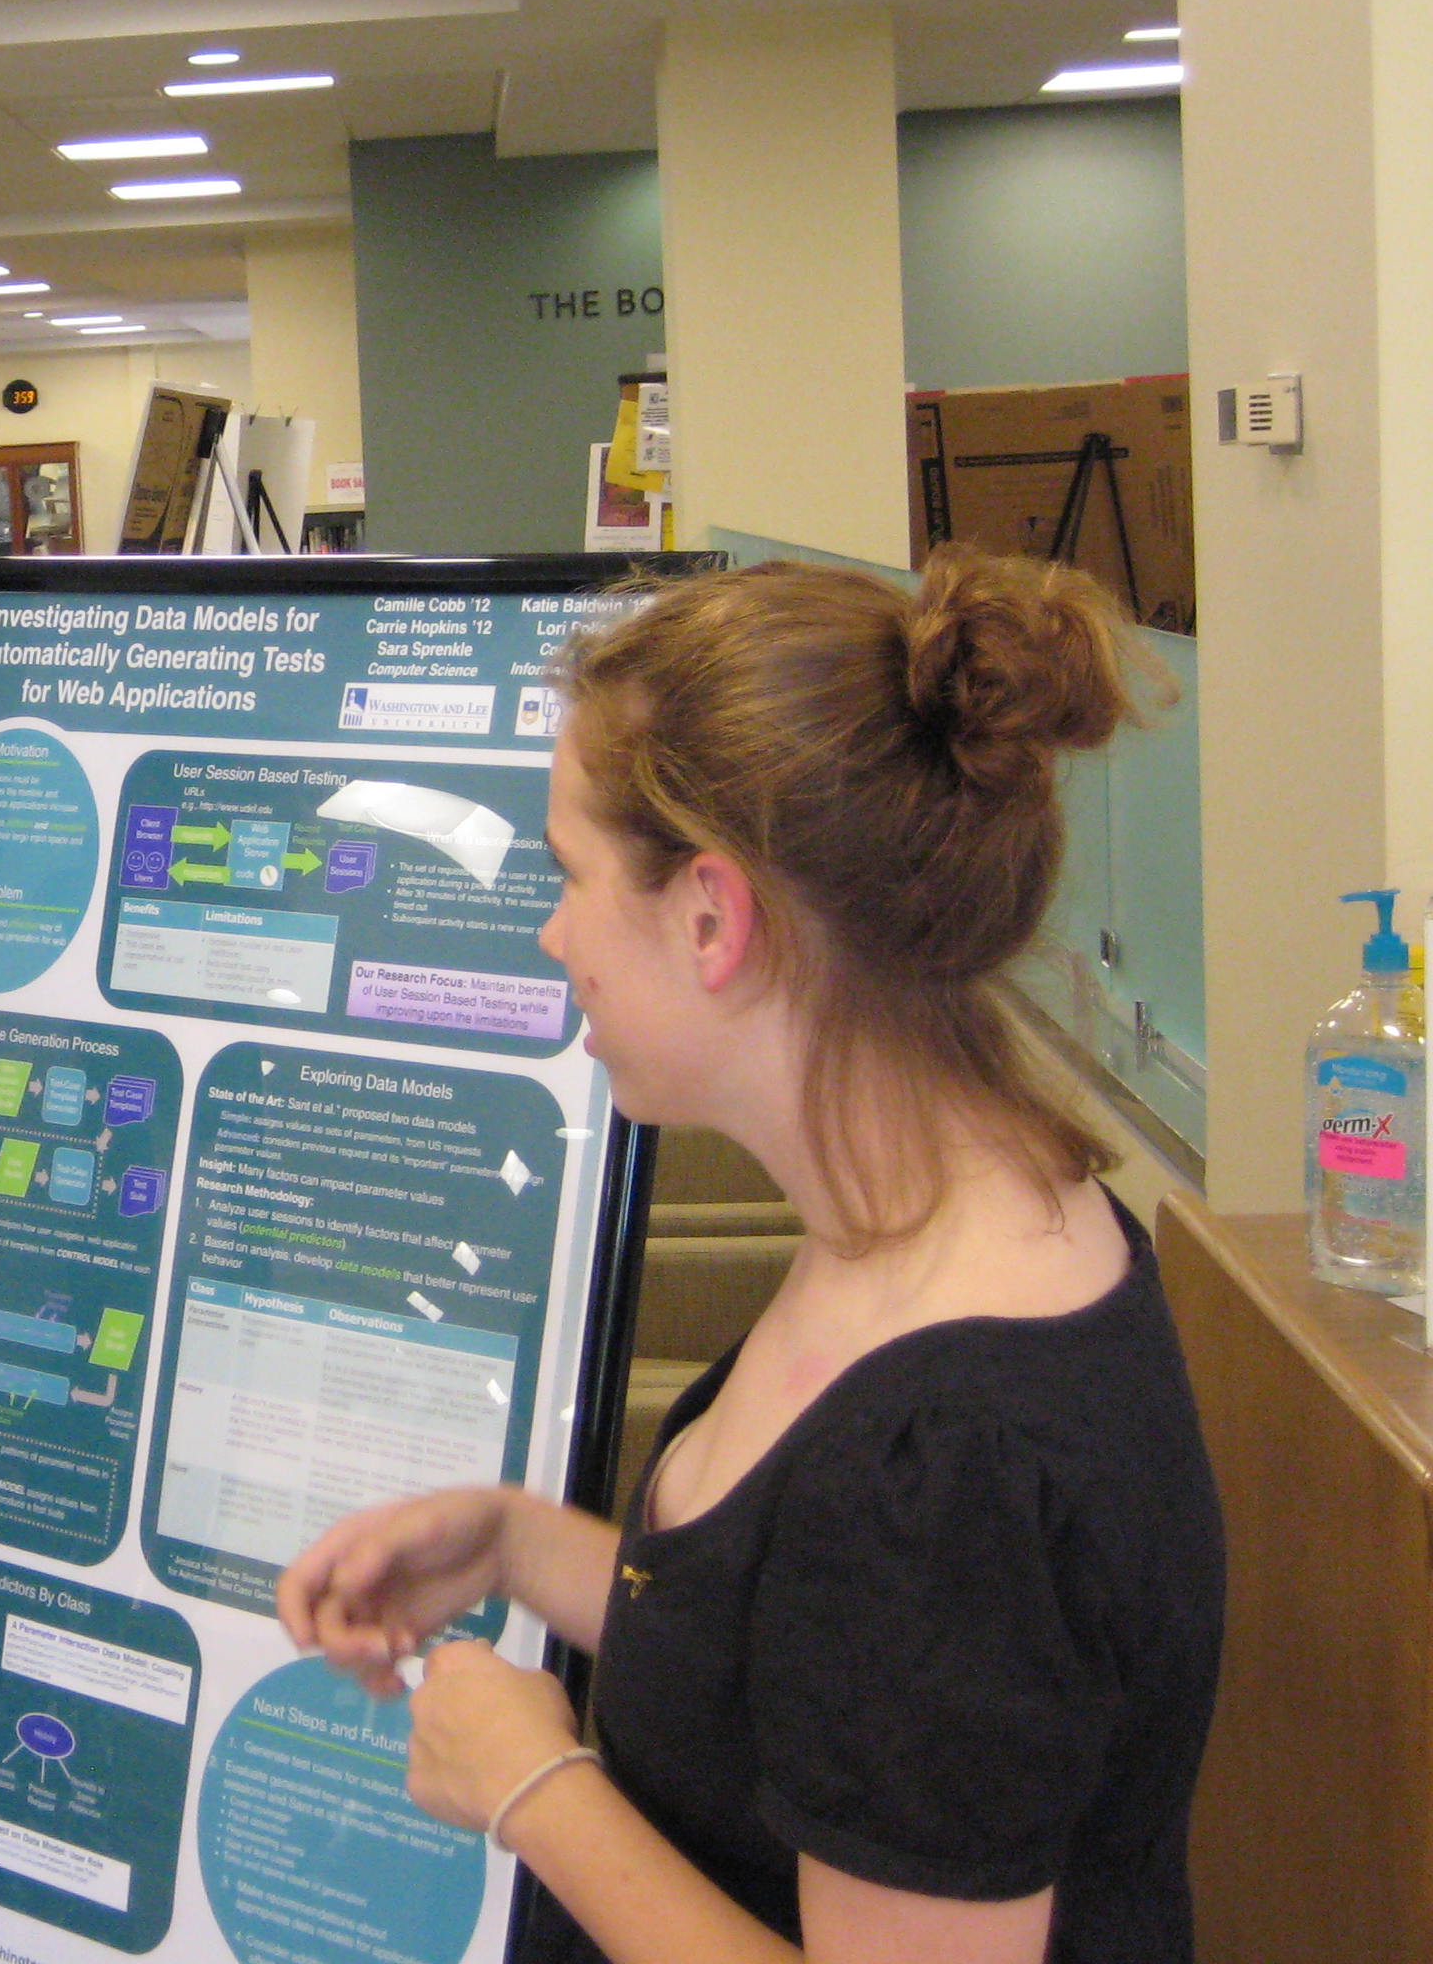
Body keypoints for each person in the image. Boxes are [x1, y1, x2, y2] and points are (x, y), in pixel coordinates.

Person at [279, 552, 1225, 1964]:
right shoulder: (922, 1223)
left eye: (572, 875)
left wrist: (534, 1791)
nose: (552, 932)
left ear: (714, 920)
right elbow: (811, 1665)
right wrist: (523, 1545)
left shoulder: (954, 1458)